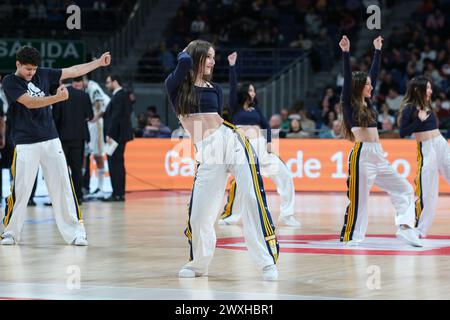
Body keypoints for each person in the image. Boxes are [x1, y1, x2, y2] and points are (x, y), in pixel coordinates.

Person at [165, 40, 279, 281]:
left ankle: (267, 262)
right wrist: (187, 49)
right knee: (199, 214)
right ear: (195, 56)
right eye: (208, 56)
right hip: (207, 153)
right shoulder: (175, 85)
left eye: (214, 57)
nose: (212, 61)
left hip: (231, 141)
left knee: (250, 196)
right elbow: (184, 61)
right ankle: (199, 265)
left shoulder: (214, 88)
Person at [0, 45, 111, 245]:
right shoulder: (9, 81)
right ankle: (10, 232)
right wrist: (57, 98)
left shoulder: (43, 74)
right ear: (18, 64)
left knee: (63, 186)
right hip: (25, 142)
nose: (31, 73)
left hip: (51, 138)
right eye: (27, 69)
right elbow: (29, 102)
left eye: (34, 69)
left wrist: (98, 63)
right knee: (21, 189)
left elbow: (74, 70)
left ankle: (76, 233)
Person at [338, 36, 422, 247]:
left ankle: (405, 228)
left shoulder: (369, 103)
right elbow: (348, 80)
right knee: (360, 200)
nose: (371, 87)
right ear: (358, 87)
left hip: (378, 155)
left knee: (404, 189)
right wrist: (346, 53)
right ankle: (352, 238)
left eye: (370, 84)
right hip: (362, 155)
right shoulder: (349, 103)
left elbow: (373, 75)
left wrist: (377, 51)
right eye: (367, 85)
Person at [218, 52, 300, 227]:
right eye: (251, 90)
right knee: (240, 184)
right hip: (243, 149)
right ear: (244, 93)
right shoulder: (235, 108)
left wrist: (270, 141)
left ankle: (287, 215)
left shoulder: (257, 110)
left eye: (254, 90)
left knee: (285, 175)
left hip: (261, 148)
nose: (253, 93)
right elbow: (232, 88)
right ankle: (231, 217)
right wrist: (232, 66)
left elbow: (266, 125)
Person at [399, 76, 450, 238]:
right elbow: (402, 132)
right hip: (426, 149)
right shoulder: (408, 108)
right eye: (427, 88)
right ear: (417, 89)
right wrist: (418, 121)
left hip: (441, 143)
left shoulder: (427, 105)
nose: (431, 90)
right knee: (428, 194)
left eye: (430, 87)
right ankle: (416, 230)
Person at [53, 77, 93, 205]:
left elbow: (56, 117)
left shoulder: (61, 94)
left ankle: (61, 199)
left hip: (62, 137)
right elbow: (90, 116)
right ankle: (78, 197)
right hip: (78, 138)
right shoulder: (84, 95)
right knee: (76, 168)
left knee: (60, 169)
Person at [103, 74, 134, 202]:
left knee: (115, 165)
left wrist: (109, 134)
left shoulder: (119, 96)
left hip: (116, 136)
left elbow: (115, 117)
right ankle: (119, 193)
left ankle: (117, 193)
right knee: (118, 164)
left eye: (108, 82)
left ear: (115, 82)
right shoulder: (123, 95)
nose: (107, 85)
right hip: (120, 135)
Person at [83, 75, 111, 198]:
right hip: (91, 124)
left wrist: (93, 119)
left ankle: (100, 188)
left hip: (98, 124)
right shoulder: (86, 88)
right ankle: (84, 187)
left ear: (85, 79)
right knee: (85, 155)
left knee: (98, 155)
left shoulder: (93, 88)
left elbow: (100, 107)